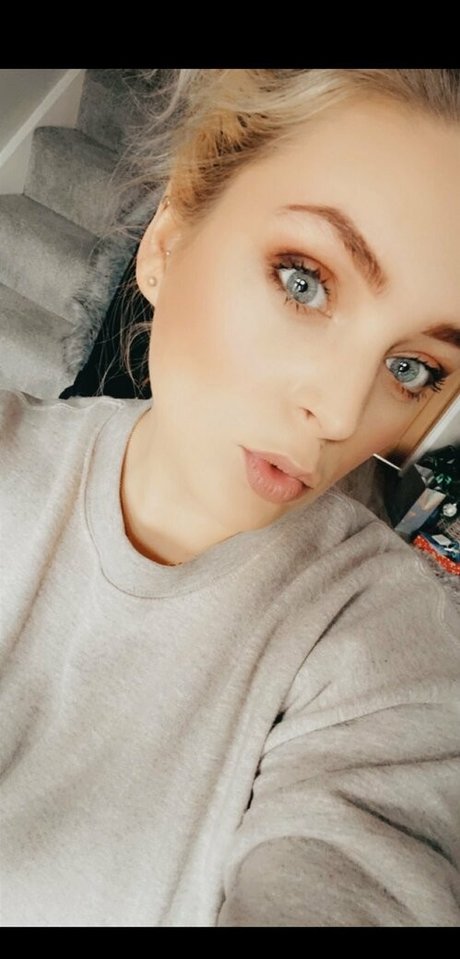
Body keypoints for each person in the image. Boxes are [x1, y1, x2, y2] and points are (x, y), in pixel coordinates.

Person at [1, 69, 459, 928]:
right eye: (304, 281)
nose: (341, 413)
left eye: (411, 368)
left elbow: (364, 867)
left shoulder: (388, 643)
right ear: (170, 236)